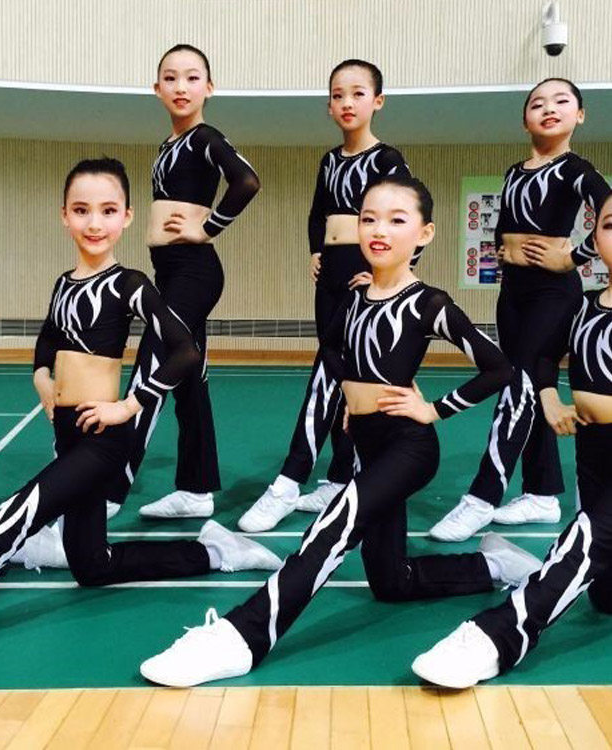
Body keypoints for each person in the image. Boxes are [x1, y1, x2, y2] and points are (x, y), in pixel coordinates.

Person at [0, 157, 280, 668]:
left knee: (9, 521)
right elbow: (46, 346)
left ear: (127, 217)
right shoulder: (64, 283)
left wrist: (129, 404)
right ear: (64, 216)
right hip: (68, 435)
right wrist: (43, 379)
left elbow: (184, 351)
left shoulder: (129, 283)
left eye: (108, 210)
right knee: (92, 565)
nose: (94, 222)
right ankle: (217, 552)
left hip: (102, 440)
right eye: (81, 210)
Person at [138, 176, 542, 688]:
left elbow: (499, 368)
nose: (379, 230)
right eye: (368, 218)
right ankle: (493, 566)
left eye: (396, 220)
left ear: (424, 233)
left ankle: (244, 635)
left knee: (335, 524)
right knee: (392, 581)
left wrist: (434, 409)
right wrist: (353, 396)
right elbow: (330, 349)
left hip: (409, 447)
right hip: (367, 443)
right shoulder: (355, 295)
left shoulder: (429, 303)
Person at [413, 192, 612, 688]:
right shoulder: (584, 306)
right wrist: (549, 399)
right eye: (610, 226)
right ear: (594, 238)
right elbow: (542, 358)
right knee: (604, 593)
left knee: (585, 543)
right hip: (593, 455)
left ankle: (497, 635)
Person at [238, 59, 417, 534]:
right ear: (329, 106)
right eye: (338, 95)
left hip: (364, 275)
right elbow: (318, 212)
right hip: (331, 277)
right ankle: (340, 477)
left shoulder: (387, 160)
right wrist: (316, 250)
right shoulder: (330, 160)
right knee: (339, 377)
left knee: (327, 371)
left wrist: (388, 275)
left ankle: (289, 479)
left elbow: (411, 214)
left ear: (378, 101)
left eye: (358, 93)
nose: (347, 103)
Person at [430, 78, 612, 542]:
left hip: (554, 293)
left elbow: (608, 210)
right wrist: (502, 252)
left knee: (517, 383)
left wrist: (573, 257)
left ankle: (482, 496)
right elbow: (508, 223)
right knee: (529, 388)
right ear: (524, 119)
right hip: (513, 293)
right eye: (537, 103)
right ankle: (542, 493)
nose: (549, 108)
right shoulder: (514, 172)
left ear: (580, 115)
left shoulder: (576, 169)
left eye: (562, 101)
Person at [105, 44, 260, 521]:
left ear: (208, 88)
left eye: (192, 78)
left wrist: (207, 228)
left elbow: (247, 181)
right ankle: (196, 490)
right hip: (171, 271)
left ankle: (111, 486)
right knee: (189, 378)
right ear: (157, 89)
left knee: (153, 362)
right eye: (170, 78)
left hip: (195, 270)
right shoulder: (167, 146)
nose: (181, 87)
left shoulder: (204, 137)